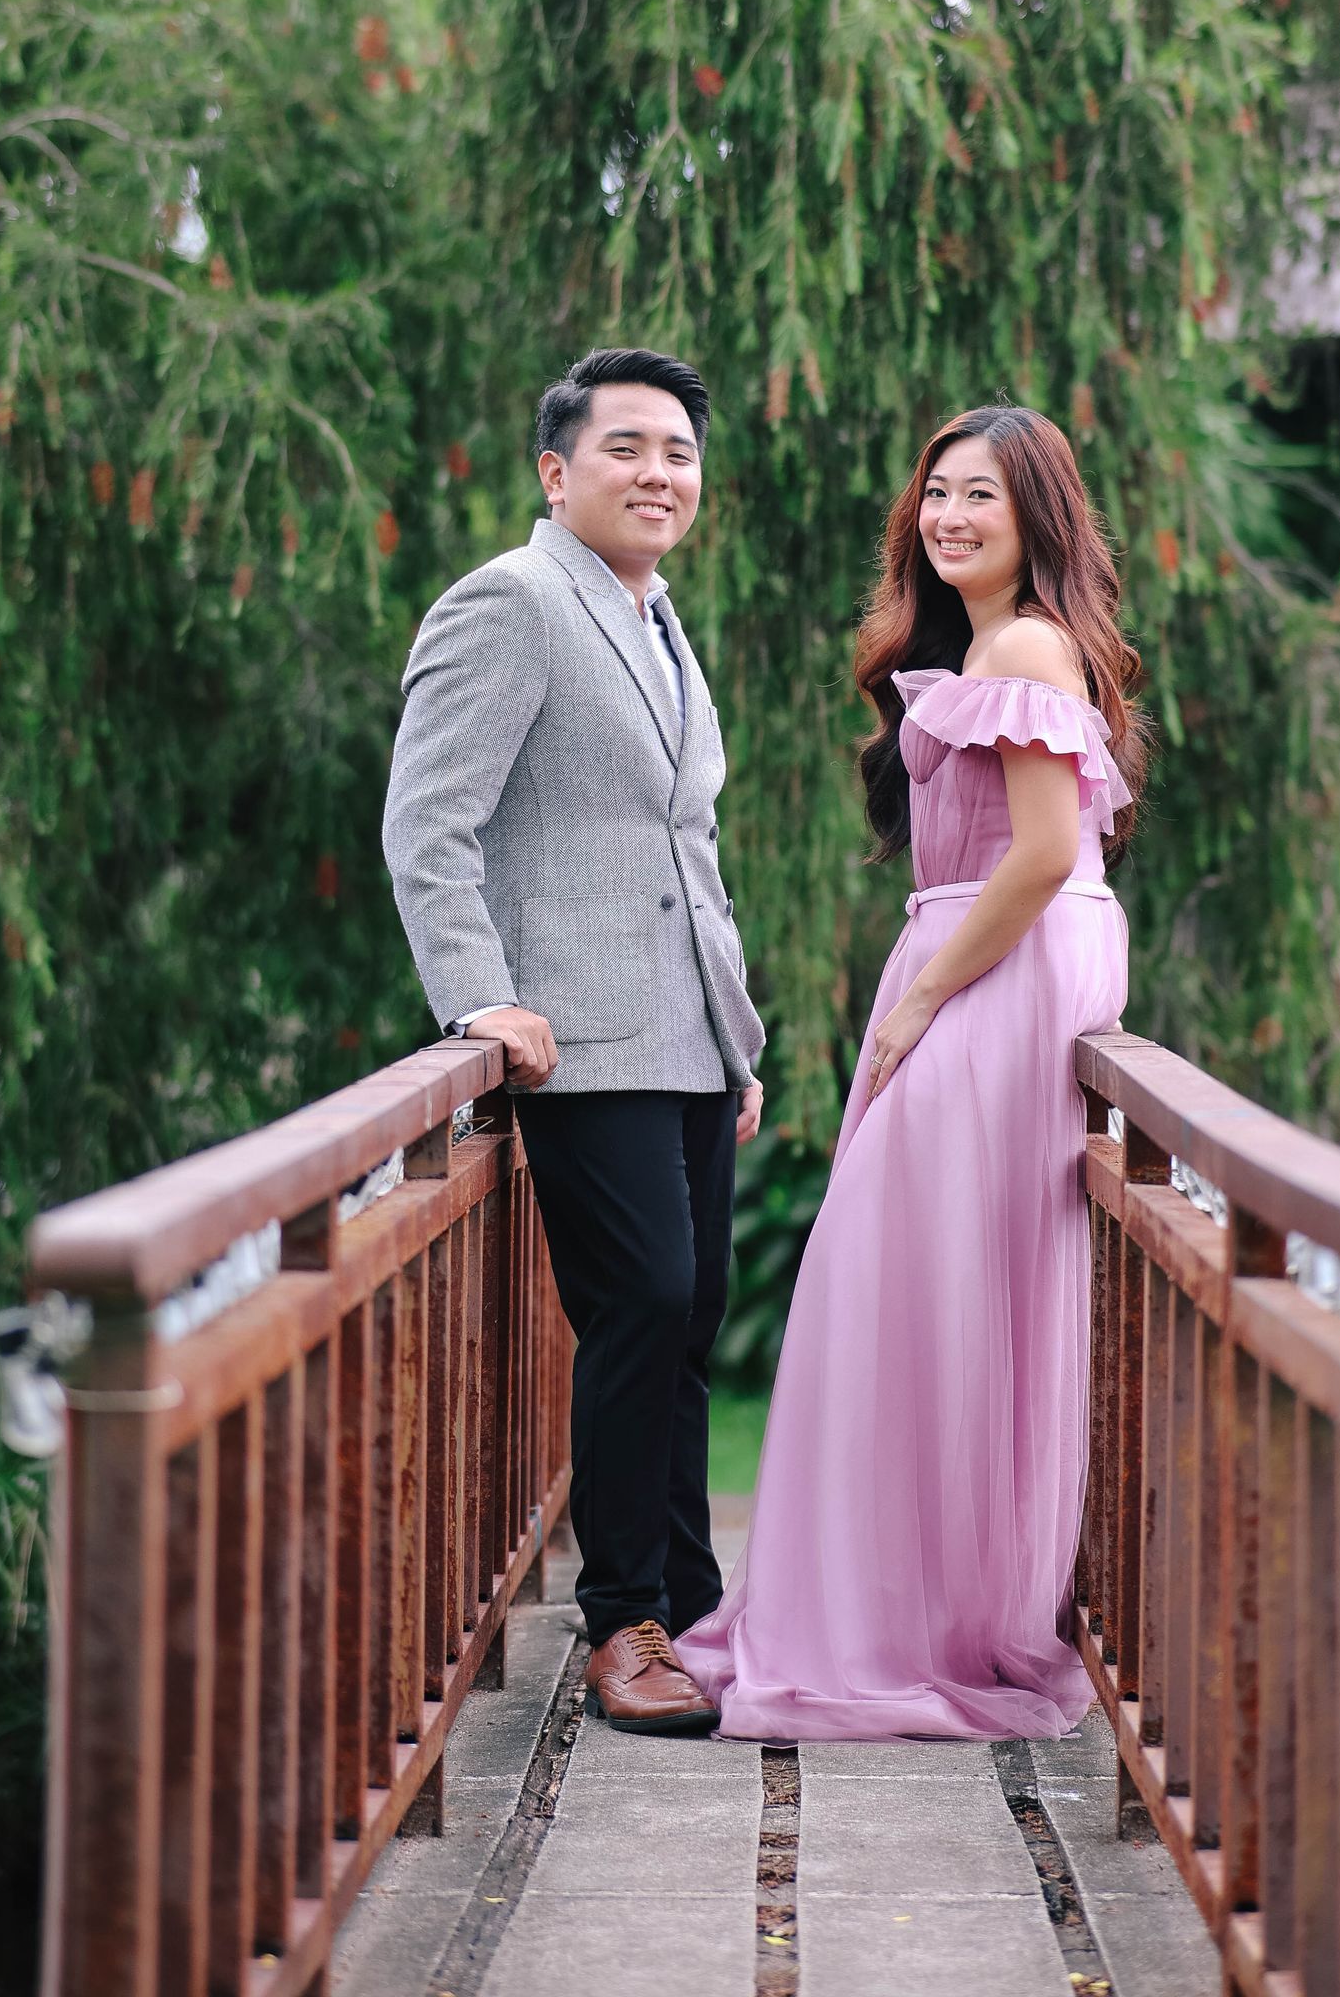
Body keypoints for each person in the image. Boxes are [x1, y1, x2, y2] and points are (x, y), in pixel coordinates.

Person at [677, 404, 1146, 1739]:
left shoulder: (1029, 646)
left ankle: (916, 1620)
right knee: (929, 1283)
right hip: (978, 955)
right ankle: (920, 1602)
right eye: (936, 492)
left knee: (912, 1275)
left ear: (1036, 514)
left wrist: (925, 999)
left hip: (996, 971)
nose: (948, 516)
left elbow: (1043, 853)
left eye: (980, 494)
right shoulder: (992, 644)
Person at [381, 347, 765, 1734]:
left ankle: (690, 1603)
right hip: (578, 1040)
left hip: (687, 1040)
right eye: (627, 449)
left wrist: (734, 1039)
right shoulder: (511, 603)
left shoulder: (656, 618)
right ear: (557, 472)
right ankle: (623, 1623)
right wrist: (477, 997)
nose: (660, 474)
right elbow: (429, 822)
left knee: (692, 1316)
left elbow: (684, 846)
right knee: (640, 1303)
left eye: (680, 454)